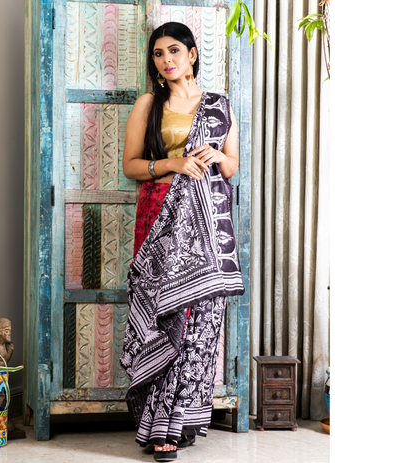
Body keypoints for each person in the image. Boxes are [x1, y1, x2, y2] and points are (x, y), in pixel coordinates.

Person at [120, 22, 245, 462]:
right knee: (164, 314)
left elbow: (232, 167)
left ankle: (183, 420)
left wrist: (219, 156)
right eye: (158, 54)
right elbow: (131, 166)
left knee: (200, 321)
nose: (166, 60)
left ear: (192, 54)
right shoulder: (148, 104)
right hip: (160, 220)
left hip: (208, 230)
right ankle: (158, 426)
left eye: (174, 50)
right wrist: (172, 163)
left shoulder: (219, 105)